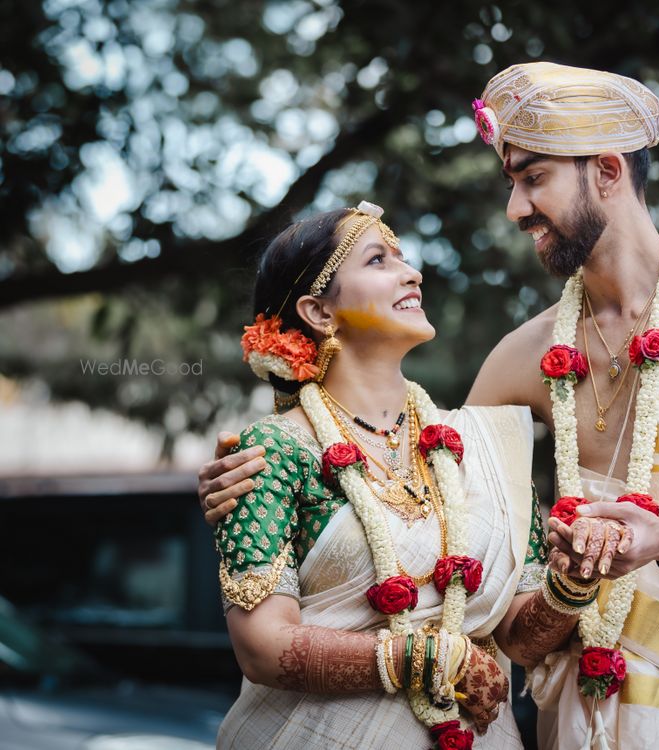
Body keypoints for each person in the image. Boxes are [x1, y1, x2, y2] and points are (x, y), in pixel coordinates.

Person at [200, 63, 659, 750]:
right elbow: (446, 512)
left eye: (533, 178)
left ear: (609, 172)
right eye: (511, 183)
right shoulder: (522, 354)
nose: (516, 209)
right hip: (574, 713)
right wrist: (253, 474)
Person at [204, 202, 600, 750]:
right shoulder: (275, 452)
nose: (411, 272)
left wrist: (574, 579)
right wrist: (432, 659)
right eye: (377, 260)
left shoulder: (480, 448)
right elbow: (262, 649)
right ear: (320, 312)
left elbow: (519, 640)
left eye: (403, 257)